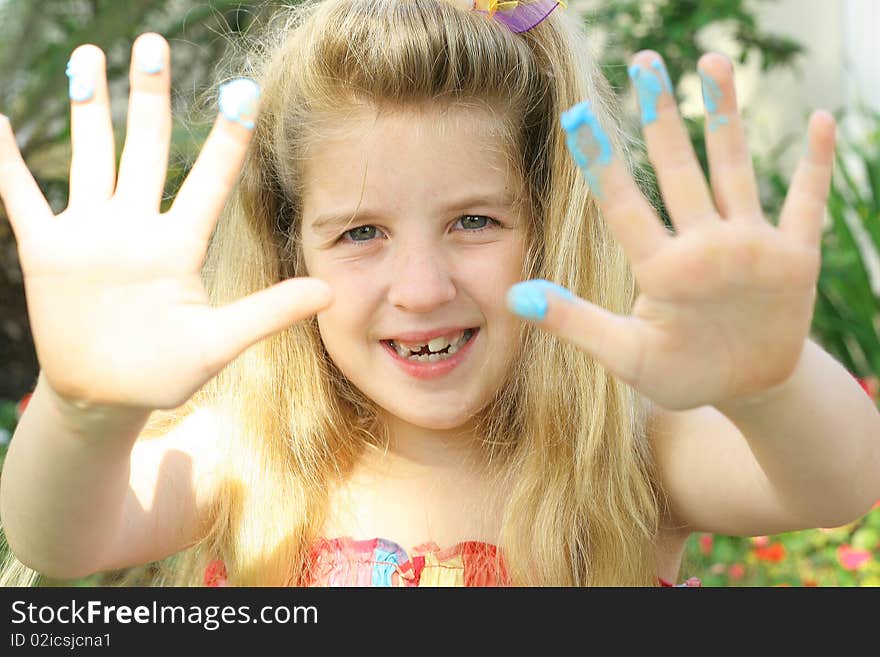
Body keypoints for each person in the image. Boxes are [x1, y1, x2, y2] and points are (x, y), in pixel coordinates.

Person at [0, 0, 878, 588]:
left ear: (550, 224)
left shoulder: (633, 448)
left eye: (475, 223)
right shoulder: (247, 454)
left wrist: (771, 382)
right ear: (282, 244)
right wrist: (83, 412)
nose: (421, 288)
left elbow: (840, 480)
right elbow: (60, 539)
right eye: (360, 233)